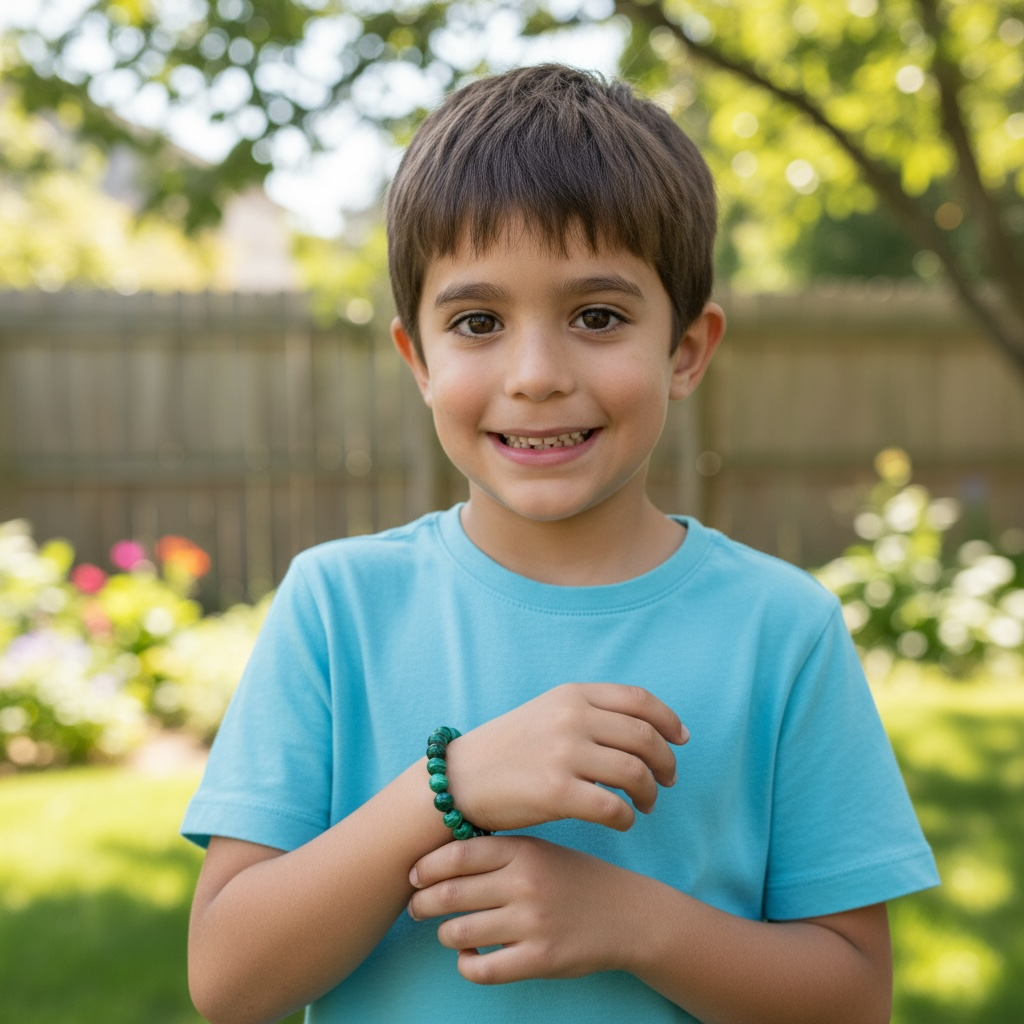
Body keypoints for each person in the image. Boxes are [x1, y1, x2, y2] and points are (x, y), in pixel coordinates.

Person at [182, 64, 938, 1024]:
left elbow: (854, 1000)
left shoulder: (782, 629)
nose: (536, 374)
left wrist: (632, 922)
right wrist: (449, 788)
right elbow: (229, 983)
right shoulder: (338, 606)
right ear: (418, 359)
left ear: (686, 351)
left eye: (597, 317)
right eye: (478, 322)